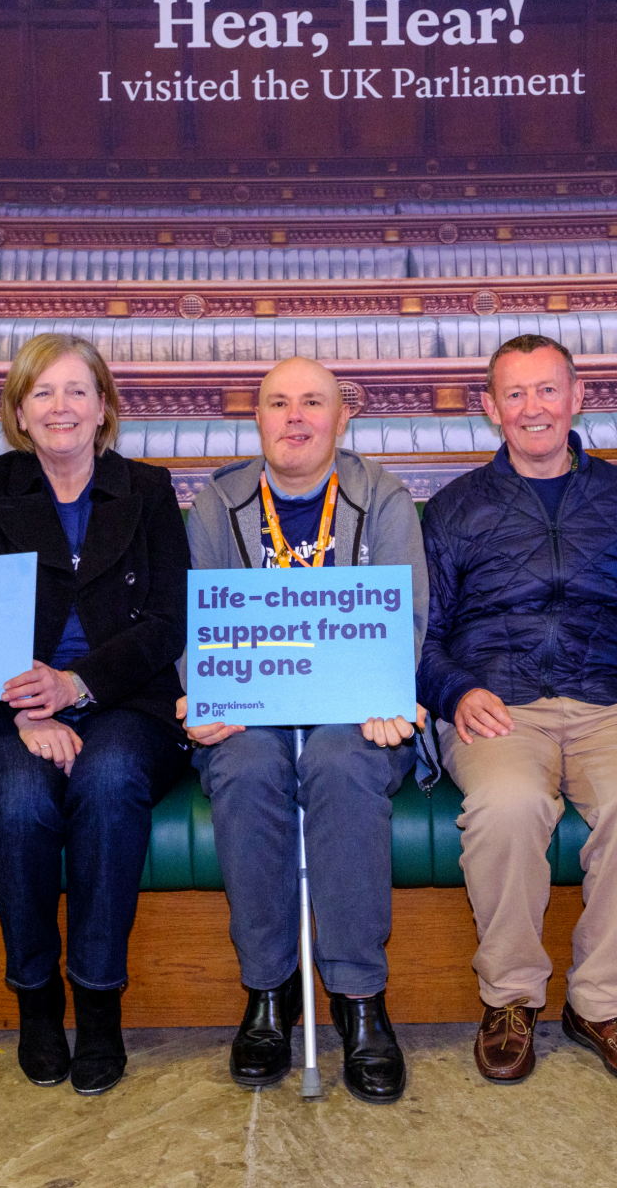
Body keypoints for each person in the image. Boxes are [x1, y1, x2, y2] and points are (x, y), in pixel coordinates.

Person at [418, 334, 617, 1090]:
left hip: (612, 701)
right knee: (506, 804)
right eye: (515, 393)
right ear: (490, 408)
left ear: (577, 397)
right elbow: (419, 637)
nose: (532, 407)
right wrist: (456, 692)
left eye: (547, 390)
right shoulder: (452, 509)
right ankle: (510, 999)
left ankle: (601, 1003)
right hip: (496, 703)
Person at [181, 356, 429, 1105]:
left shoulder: (383, 496)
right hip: (250, 715)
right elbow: (195, 626)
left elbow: (406, 622)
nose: (294, 417)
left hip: (355, 717)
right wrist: (198, 688)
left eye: (312, 402)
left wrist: (388, 693)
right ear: (256, 420)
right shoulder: (215, 504)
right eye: (277, 403)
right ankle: (269, 991)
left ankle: (358, 997)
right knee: (247, 764)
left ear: (342, 417)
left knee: (339, 761)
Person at [0, 333, 191, 1097]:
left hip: (125, 699)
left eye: (77, 390)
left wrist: (77, 685)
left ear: (103, 409)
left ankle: (97, 1001)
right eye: (43, 392)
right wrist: (27, 708)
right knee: (20, 798)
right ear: (20, 411)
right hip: (11, 704)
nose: (61, 406)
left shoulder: (149, 489)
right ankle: (35, 999)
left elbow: (167, 620)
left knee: (111, 772)